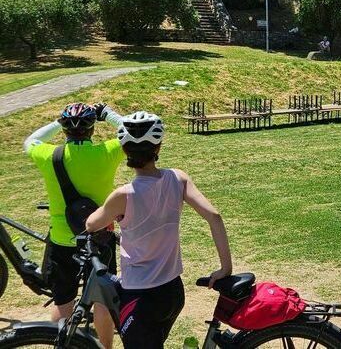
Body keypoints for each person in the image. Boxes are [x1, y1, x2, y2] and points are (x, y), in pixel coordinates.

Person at [86, 111, 233, 349]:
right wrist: (225, 268)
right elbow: (214, 217)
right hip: (172, 291)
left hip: (139, 295)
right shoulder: (178, 178)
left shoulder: (123, 195)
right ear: (159, 146)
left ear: (124, 150)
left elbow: (91, 224)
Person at [24, 102, 124, 349]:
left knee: (63, 301)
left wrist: (56, 122)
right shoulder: (107, 152)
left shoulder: (50, 155)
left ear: (65, 129)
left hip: (61, 239)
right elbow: (131, 132)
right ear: (92, 129)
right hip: (99, 237)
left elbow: (30, 141)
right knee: (102, 302)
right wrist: (107, 114)